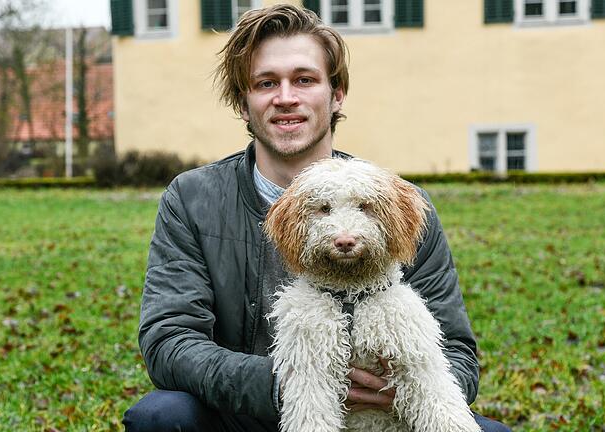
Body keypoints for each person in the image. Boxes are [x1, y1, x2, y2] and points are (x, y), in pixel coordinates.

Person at [123, 4, 510, 432]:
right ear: (242, 100)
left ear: (337, 92)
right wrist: (294, 385)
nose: (285, 97)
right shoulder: (191, 199)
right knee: (159, 417)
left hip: (378, 414)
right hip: (242, 414)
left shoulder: (400, 205)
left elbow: (456, 351)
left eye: (304, 79)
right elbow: (169, 341)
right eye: (265, 82)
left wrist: (392, 391)